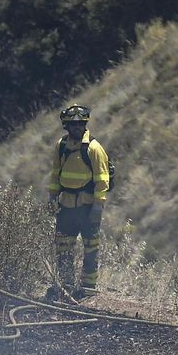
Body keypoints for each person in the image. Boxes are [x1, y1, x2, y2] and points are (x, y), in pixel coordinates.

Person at [46, 104, 110, 301]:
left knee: (91, 248)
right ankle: (65, 285)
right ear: (66, 125)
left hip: (87, 207)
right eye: (73, 124)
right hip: (66, 207)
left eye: (80, 124)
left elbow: (102, 181)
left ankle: (88, 288)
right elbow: (56, 175)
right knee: (63, 247)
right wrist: (52, 199)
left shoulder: (93, 148)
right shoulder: (62, 146)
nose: (77, 128)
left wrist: (97, 208)